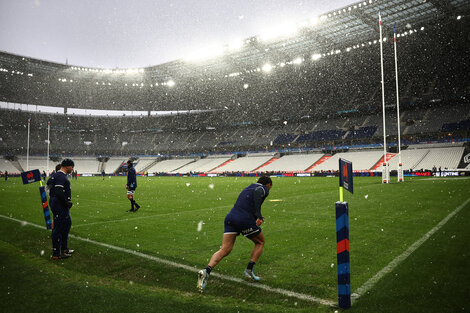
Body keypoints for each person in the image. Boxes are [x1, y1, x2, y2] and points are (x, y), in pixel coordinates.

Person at [197, 176, 273, 293]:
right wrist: (258, 215)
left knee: (225, 249)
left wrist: (256, 216)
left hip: (231, 217)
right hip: (243, 219)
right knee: (260, 242)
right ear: (268, 185)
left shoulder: (248, 188)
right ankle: (248, 271)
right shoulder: (263, 188)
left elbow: (246, 205)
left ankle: (206, 271)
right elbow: (259, 193)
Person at [48, 159, 75, 259]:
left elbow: (49, 186)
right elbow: (58, 191)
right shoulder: (60, 175)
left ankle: (64, 248)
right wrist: (66, 202)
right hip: (60, 205)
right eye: (72, 167)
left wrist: (52, 197)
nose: (72, 169)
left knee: (67, 224)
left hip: (57, 203)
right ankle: (56, 253)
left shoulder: (55, 175)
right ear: (67, 166)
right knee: (59, 228)